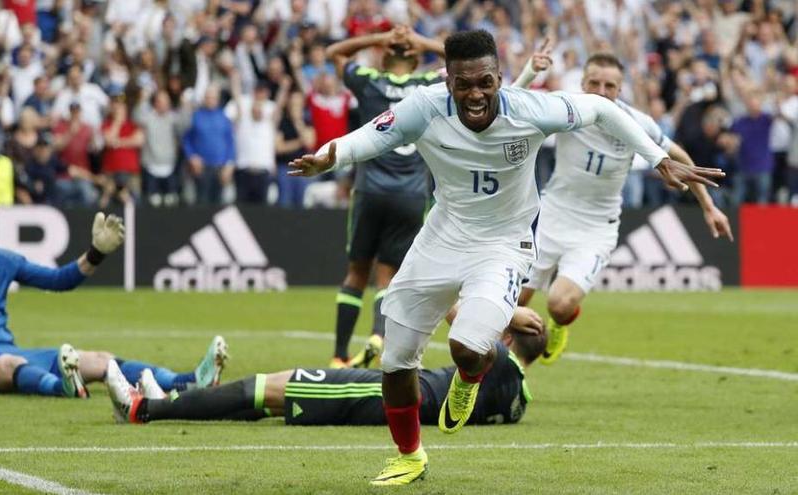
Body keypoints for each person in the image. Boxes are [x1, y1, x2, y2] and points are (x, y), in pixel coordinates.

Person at [288, 30, 724, 485]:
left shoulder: (532, 109)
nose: (475, 94)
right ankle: (409, 455)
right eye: (463, 85)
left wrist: (657, 159)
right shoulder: (425, 105)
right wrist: (327, 157)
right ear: (448, 81)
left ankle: (470, 380)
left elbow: (601, 108)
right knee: (396, 361)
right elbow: (372, 135)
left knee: (468, 348)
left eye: (485, 82)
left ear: (499, 77)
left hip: (504, 245)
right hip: (441, 236)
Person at [508, 49, 733, 363]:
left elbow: (678, 158)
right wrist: (530, 72)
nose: (601, 92)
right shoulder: (565, 108)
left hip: (596, 229)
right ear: (582, 83)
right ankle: (506, 371)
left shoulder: (634, 122)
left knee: (559, 304)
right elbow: (512, 107)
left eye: (609, 86)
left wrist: (708, 206)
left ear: (620, 89)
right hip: (550, 218)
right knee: (513, 303)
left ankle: (560, 324)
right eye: (594, 83)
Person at [0, 193, 227, 398]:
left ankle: (186, 382)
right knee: (7, 365)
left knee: (101, 360)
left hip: (12, 351)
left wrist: (96, 253)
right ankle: (63, 388)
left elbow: (59, 280)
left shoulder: (1, 261)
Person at [106, 307, 546, 427]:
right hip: (399, 397)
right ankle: (171, 399)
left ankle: (145, 409)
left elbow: (459, 317)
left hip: (380, 396)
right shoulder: (518, 400)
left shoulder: (500, 359)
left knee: (268, 387)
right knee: (264, 402)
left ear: (506, 338)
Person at [323, 25, 444, 369]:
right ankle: (378, 335)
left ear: (383, 55)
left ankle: (338, 355)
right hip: (409, 195)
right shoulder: (427, 86)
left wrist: (378, 38)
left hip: (371, 189)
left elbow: (335, 52)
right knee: (387, 275)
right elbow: (464, 60)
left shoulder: (368, 79)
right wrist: (420, 40)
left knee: (356, 272)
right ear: (417, 57)